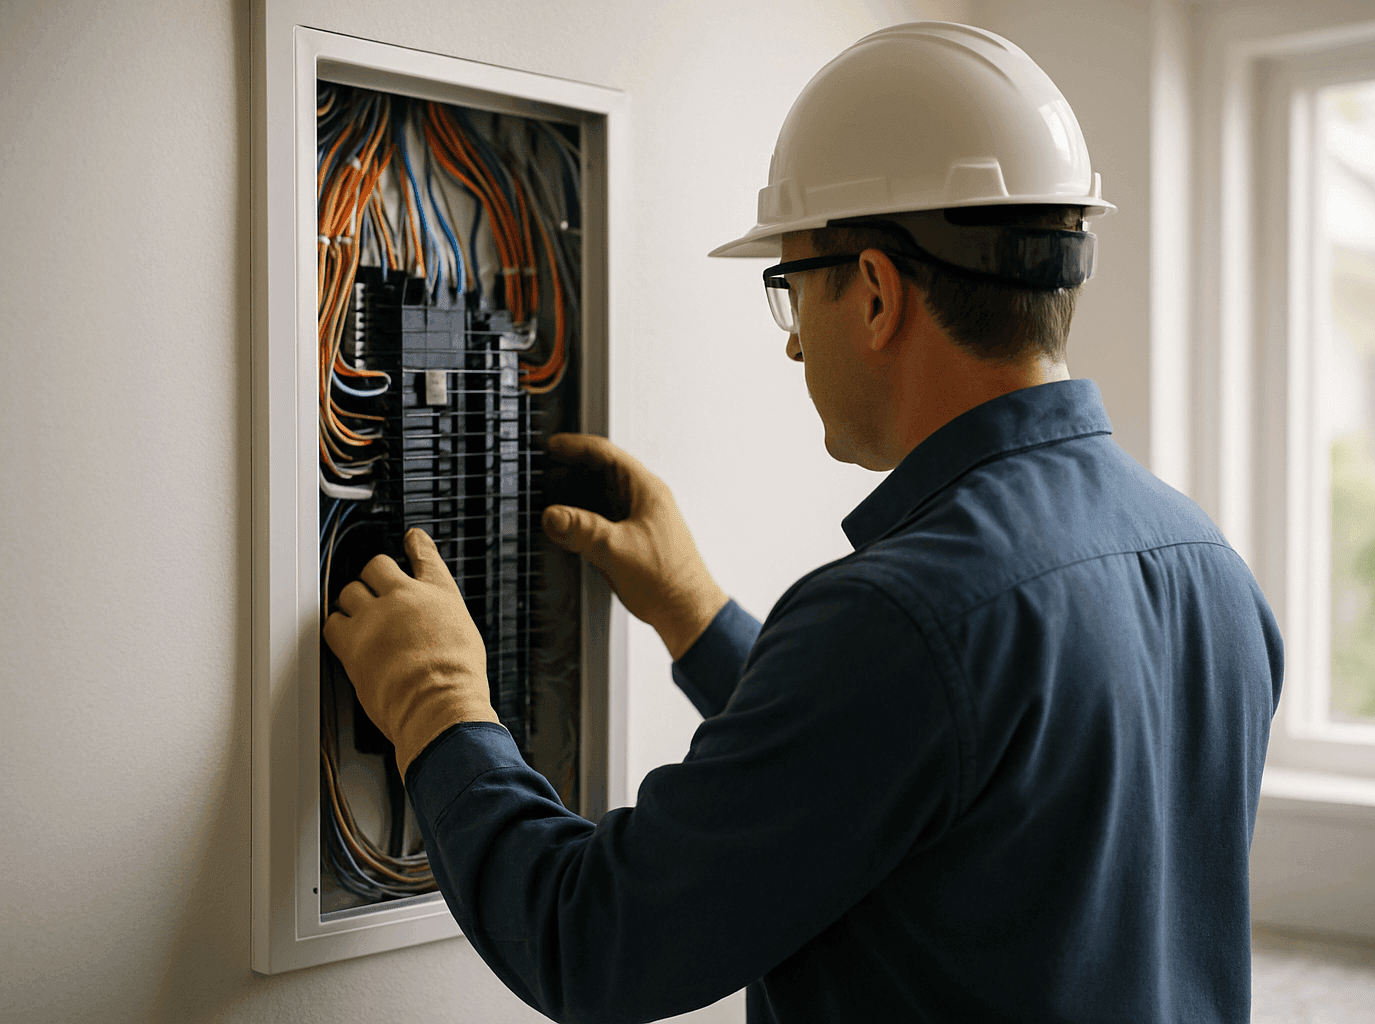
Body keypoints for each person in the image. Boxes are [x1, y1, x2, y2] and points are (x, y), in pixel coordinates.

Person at [324, 21, 1283, 1024]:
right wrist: (696, 612)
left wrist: (436, 700)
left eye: (788, 290)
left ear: (873, 293)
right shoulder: (1209, 568)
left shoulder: (902, 619)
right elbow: (941, 779)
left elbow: (596, 941)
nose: (791, 349)